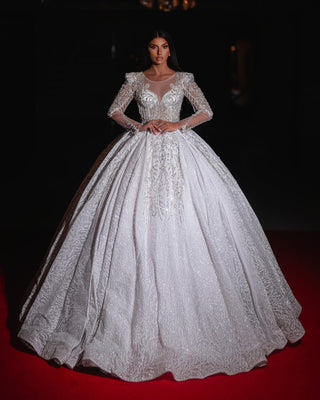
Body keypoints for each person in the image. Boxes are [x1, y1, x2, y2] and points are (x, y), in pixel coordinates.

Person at [17, 29, 305, 382]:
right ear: (146, 50)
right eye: (153, 47)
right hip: (139, 147)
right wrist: (141, 125)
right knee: (125, 218)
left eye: (164, 46)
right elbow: (114, 111)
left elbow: (206, 111)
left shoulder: (184, 79)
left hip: (179, 147)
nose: (159, 52)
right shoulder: (134, 79)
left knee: (190, 216)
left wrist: (175, 124)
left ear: (171, 50)